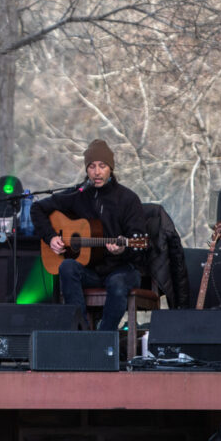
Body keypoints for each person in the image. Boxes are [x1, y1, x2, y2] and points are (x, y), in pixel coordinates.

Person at [30, 139, 147, 331]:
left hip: (122, 269)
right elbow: (37, 209)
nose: (97, 172)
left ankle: (103, 338)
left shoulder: (128, 199)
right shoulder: (78, 194)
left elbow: (139, 244)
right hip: (90, 271)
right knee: (67, 267)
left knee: (117, 283)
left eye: (102, 166)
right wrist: (50, 237)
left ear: (111, 168)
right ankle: (81, 333)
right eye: (92, 166)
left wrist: (121, 250)